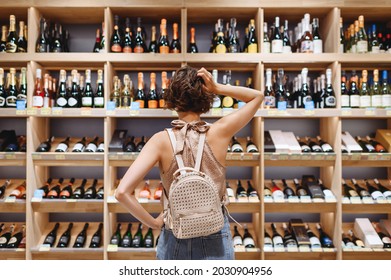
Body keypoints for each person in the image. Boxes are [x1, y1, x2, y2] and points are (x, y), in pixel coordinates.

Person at [115, 65, 264, 259]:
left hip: (174, 233)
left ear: (172, 99)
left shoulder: (160, 140)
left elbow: (122, 193)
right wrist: (217, 87)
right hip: (215, 233)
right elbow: (257, 96)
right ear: (205, 98)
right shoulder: (220, 131)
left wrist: (155, 223)